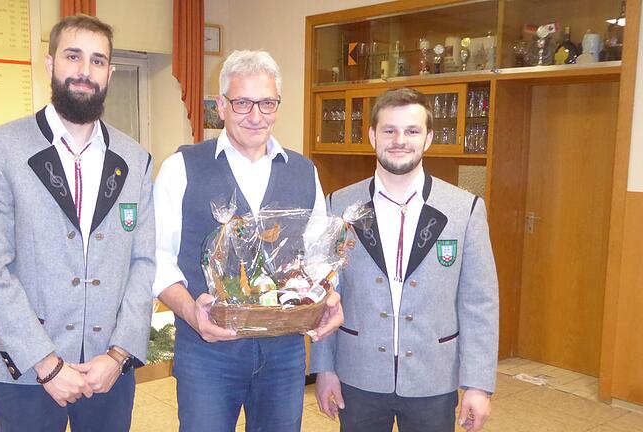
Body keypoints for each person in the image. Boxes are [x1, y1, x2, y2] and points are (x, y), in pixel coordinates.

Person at [0, 15, 154, 432]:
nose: (85, 71)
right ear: (50, 63)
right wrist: (48, 366)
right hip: (26, 374)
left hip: (108, 372)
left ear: (110, 72)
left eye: (98, 61)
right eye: (73, 56)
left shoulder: (136, 160)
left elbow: (143, 263)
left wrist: (118, 355)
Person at [153, 50, 343, 432]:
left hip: (284, 351)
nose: (255, 116)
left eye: (267, 103)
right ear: (221, 106)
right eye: (242, 103)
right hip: (208, 350)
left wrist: (326, 295)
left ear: (277, 105)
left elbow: (321, 255)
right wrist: (192, 313)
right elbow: (156, 257)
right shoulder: (181, 167)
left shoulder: (304, 172)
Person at [310, 87, 499, 432]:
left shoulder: (464, 209)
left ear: (428, 138)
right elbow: (324, 295)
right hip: (359, 374)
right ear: (372, 136)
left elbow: (479, 303)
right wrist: (324, 369)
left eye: (412, 131)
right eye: (389, 130)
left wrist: (478, 383)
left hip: (434, 378)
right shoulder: (339, 205)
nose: (400, 140)